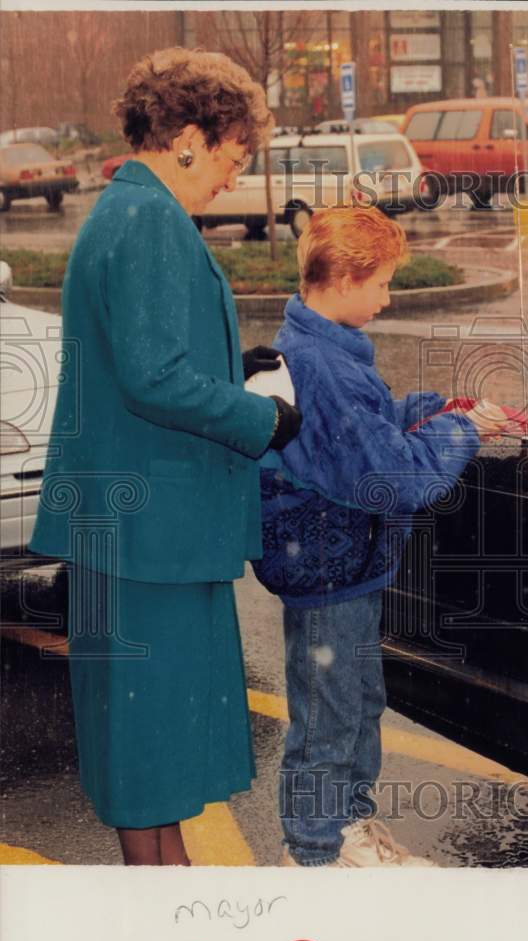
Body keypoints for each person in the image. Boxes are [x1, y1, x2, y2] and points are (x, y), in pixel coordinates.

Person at [29, 47, 301, 866]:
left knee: (144, 747)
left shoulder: (127, 209)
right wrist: (264, 417)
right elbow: (153, 378)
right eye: (231, 155)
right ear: (188, 137)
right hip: (154, 535)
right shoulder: (148, 219)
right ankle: (169, 926)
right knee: (151, 750)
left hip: (135, 529)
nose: (231, 176)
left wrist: (233, 364)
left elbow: (139, 359)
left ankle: (162, 903)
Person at [253, 207, 510, 867]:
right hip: (330, 567)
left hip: (337, 562)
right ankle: (315, 852)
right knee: (330, 717)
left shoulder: (320, 348)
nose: (388, 297)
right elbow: (390, 475)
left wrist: (429, 410)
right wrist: (464, 431)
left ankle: (347, 835)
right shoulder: (325, 365)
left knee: (354, 703)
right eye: (382, 283)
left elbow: (362, 431)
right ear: (341, 277)